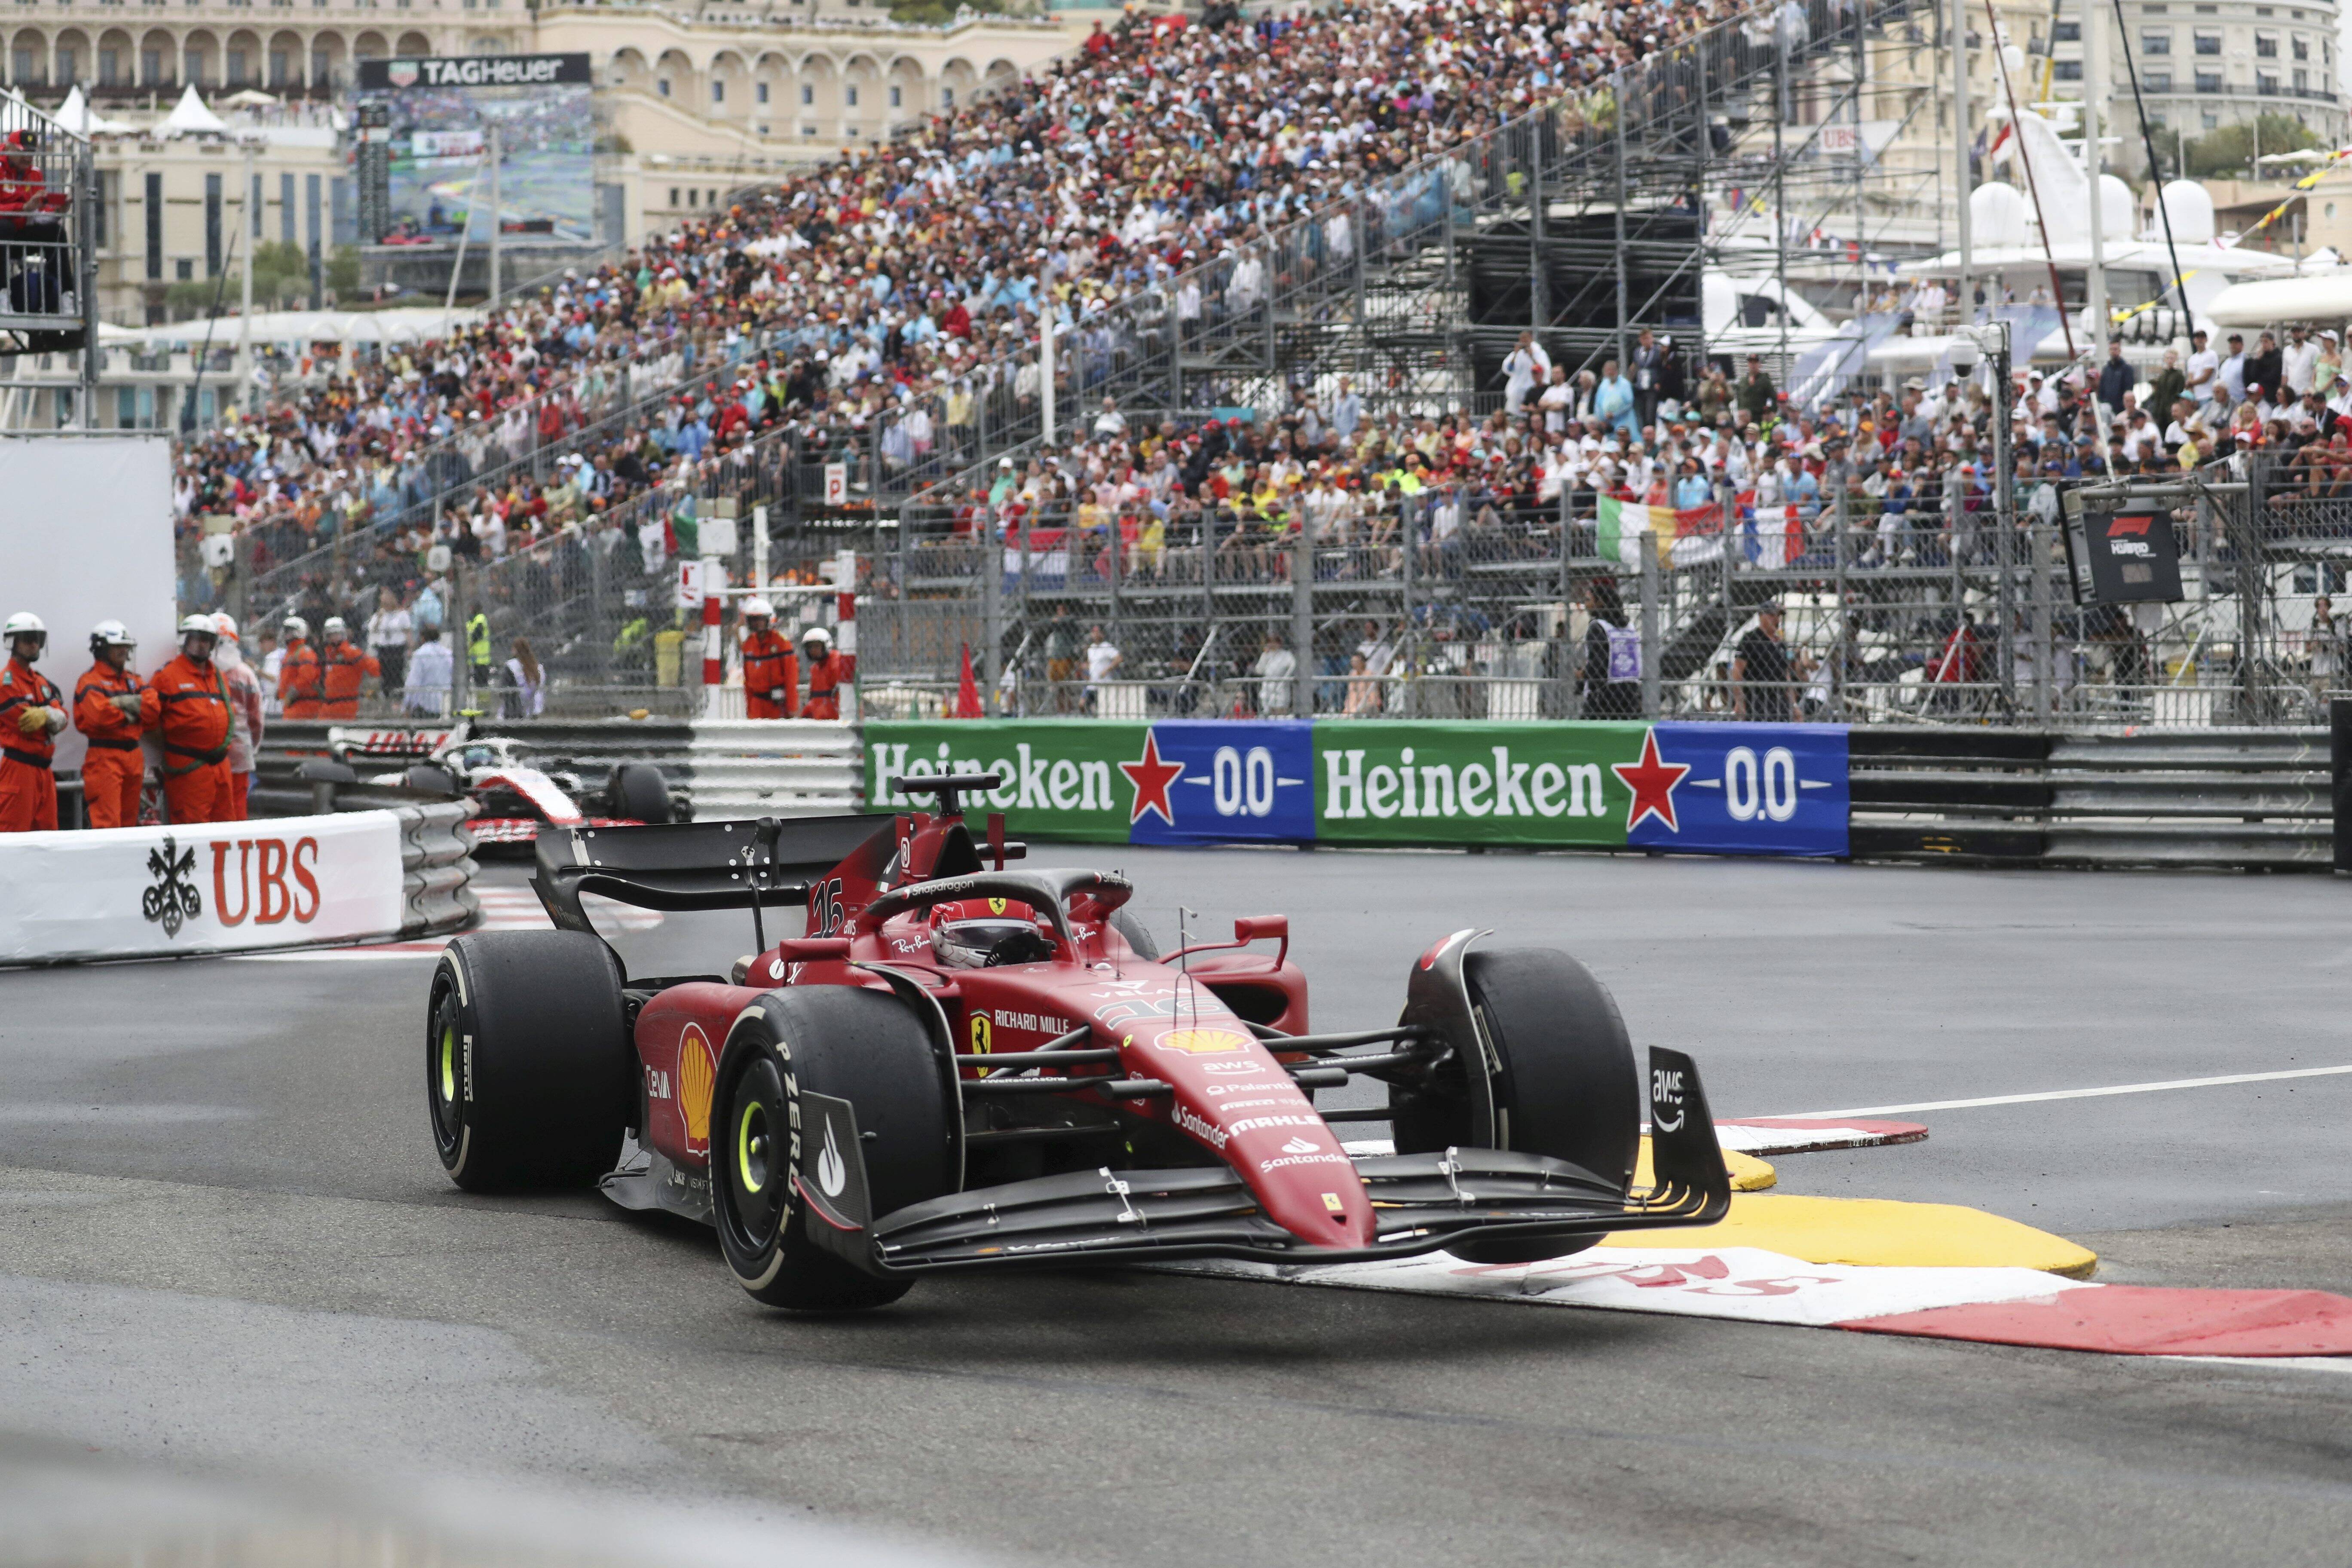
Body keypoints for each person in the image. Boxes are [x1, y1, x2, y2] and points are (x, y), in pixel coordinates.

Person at [72, 620, 156, 830]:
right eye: (118, 646)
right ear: (102, 649)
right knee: (107, 826)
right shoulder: (90, 681)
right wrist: (133, 713)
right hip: (104, 759)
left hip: (133, 757)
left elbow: (154, 709)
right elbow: (99, 717)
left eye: (125, 646)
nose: (124, 651)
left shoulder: (133, 680)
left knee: (129, 827)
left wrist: (120, 707)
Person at [150, 614, 234, 824]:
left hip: (220, 768)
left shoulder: (219, 677)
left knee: (227, 829)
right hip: (188, 769)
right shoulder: (168, 676)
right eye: (197, 639)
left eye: (207, 640)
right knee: (193, 830)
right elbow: (150, 721)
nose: (202, 645)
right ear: (185, 641)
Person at [0, 611, 66, 832]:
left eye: (37, 639)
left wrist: (46, 715)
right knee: (14, 837)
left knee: (49, 838)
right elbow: (25, 723)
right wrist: (50, 714)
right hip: (19, 770)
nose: (34, 645)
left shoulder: (42, 682)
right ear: (13, 642)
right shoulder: (5, 682)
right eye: (28, 639)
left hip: (44, 772)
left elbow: (62, 719)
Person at [213, 613, 265, 821]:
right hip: (239, 750)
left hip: (211, 754)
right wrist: (252, 748)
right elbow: (257, 719)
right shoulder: (246, 674)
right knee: (236, 810)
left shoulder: (203, 672)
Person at [1730, 601, 1797, 723]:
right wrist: (1740, 702)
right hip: (1757, 701)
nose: (1776, 619)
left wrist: (1794, 706)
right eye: (1772, 615)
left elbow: (1786, 674)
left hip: (1780, 702)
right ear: (1761, 616)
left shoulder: (1781, 643)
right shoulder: (1751, 639)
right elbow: (1737, 671)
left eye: (1778, 616)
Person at [738, 597, 798, 719]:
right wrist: (749, 707)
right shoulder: (749, 645)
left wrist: (792, 708)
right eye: (753, 620)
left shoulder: (781, 643)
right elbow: (748, 681)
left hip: (777, 704)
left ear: (769, 620)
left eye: (760, 620)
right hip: (756, 705)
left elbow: (791, 677)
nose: (756, 623)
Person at [317, 616, 381, 720]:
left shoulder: (352, 653)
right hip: (328, 706)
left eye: (336, 634)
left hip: (346, 705)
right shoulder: (329, 654)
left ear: (343, 634)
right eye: (330, 635)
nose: (333, 638)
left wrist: (370, 690)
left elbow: (374, 668)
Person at [365, 586, 413, 695]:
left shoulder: (402, 615)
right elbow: (373, 629)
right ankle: (386, 695)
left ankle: (397, 697)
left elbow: (408, 632)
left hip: (397, 649)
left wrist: (410, 648)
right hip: (384, 649)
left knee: (397, 676)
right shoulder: (379, 615)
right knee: (384, 677)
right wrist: (379, 618)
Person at [277, 615, 323, 720]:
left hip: (303, 706)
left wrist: (291, 694)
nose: (285, 634)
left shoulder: (304, 652)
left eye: (288, 631)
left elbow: (307, 678)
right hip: (292, 706)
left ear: (298, 632)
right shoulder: (291, 653)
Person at [404, 627, 455, 717]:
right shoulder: (448, 654)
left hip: (425, 704)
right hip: (445, 702)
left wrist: (407, 704)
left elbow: (414, 681)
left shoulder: (420, 654)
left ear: (423, 638)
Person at [800, 624, 844, 720]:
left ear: (826, 646)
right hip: (821, 719)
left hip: (834, 720)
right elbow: (816, 698)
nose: (813, 650)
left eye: (817, 646)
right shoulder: (815, 669)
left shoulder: (836, 664)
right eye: (810, 647)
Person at [1250, 629, 1295, 716]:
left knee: (1280, 708)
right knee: (1268, 710)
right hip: (1268, 684)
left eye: (1274, 642)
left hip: (1281, 684)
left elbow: (1292, 667)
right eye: (1270, 642)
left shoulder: (1286, 655)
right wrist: (1265, 656)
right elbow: (1259, 670)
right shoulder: (1266, 655)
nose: (1272, 644)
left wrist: (1285, 679)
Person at [1084, 623, 1124, 712]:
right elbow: (1090, 663)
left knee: (1103, 709)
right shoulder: (1091, 648)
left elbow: (1119, 658)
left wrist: (1107, 670)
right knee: (1084, 704)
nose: (1096, 635)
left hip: (1104, 683)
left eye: (1098, 632)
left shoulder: (1106, 646)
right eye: (1094, 632)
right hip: (1093, 683)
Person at [502, 637, 545, 718]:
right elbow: (540, 690)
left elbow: (504, 690)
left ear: (515, 650)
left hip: (514, 710)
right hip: (533, 708)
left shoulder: (511, 666)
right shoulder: (539, 667)